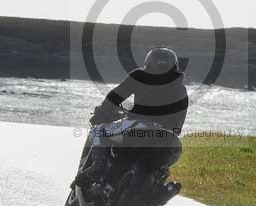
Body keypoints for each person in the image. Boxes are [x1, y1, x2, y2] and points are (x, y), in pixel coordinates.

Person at [73, 47, 188, 189]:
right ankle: (160, 186)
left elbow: (115, 96)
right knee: (160, 169)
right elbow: (179, 122)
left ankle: (98, 167)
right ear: (175, 66)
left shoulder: (140, 76)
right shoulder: (181, 88)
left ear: (149, 63)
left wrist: (102, 113)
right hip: (169, 140)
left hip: (138, 127)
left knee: (98, 131)